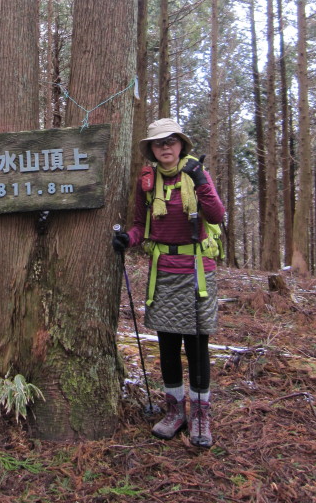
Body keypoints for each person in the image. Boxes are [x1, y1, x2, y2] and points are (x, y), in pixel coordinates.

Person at [113, 118, 225, 448]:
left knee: (197, 345)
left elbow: (217, 215)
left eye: (170, 141)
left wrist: (201, 181)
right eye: (158, 143)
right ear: (151, 149)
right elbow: (139, 225)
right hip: (163, 271)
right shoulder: (146, 182)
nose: (165, 147)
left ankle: (201, 415)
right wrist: (126, 240)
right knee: (168, 345)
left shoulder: (197, 175)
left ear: (181, 145)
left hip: (197, 270)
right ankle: (174, 411)